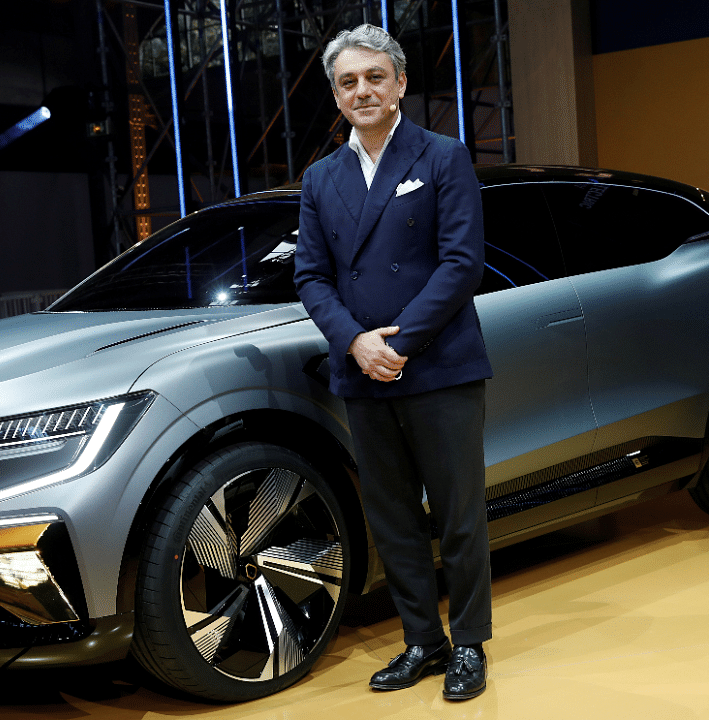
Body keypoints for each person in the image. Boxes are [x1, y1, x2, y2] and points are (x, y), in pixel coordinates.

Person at [293, 24, 493, 701]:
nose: (363, 91)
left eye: (374, 77)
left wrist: (396, 344)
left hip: (439, 366)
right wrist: (356, 342)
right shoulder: (321, 178)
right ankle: (422, 643)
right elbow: (311, 276)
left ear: (401, 82)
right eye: (348, 81)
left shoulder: (441, 156)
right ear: (336, 94)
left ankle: (468, 643)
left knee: (459, 514)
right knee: (393, 518)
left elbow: (463, 263)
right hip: (362, 370)